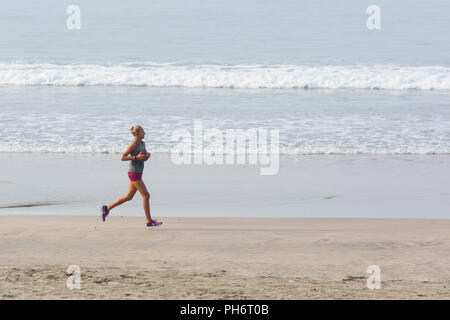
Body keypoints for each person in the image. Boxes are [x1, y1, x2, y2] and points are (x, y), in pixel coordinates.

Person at [101, 125, 162, 228]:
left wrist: (147, 156)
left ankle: (106, 208)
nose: (145, 133)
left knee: (128, 197)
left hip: (138, 172)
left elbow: (143, 159)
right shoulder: (133, 145)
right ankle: (149, 221)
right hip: (134, 173)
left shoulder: (142, 143)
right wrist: (135, 157)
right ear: (137, 134)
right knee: (146, 196)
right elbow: (123, 157)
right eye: (143, 132)